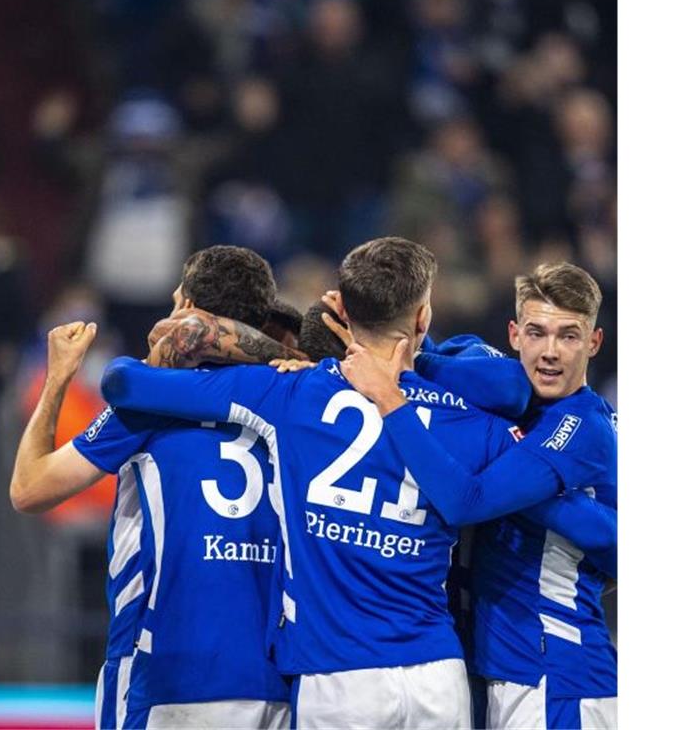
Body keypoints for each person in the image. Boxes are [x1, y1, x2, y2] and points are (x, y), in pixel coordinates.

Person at [100, 237, 533, 728]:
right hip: (437, 670)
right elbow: (516, 390)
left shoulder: (290, 390)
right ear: (422, 318)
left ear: (343, 310)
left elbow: (122, 382)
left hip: (338, 675)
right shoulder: (469, 417)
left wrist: (273, 353)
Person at [11, 246, 301, 729]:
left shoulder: (148, 398)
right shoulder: (290, 395)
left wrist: (57, 379)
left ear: (187, 309)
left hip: (165, 667)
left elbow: (29, 488)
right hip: (272, 676)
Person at [338, 262, 617, 729]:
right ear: (514, 334)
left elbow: (466, 501)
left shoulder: (579, 426)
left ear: (593, 342)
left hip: (557, 675)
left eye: (569, 336)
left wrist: (390, 395)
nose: (550, 352)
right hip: (507, 670)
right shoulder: (511, 397)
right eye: (537, 332)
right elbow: (473, 366)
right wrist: (402, 350)